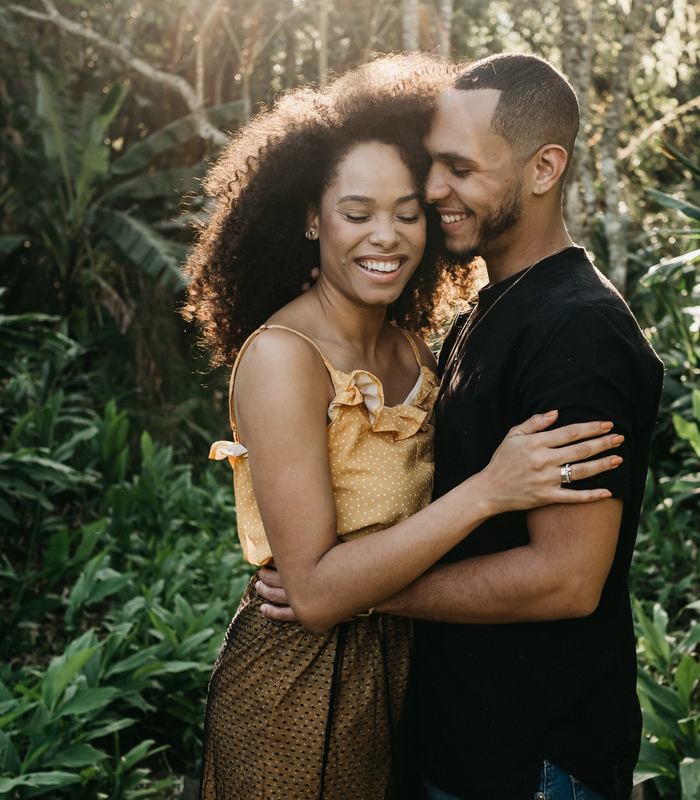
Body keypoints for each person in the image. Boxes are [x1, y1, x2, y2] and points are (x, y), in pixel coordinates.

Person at [181, 54, 625, 800]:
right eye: (356, 214)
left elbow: (565, 573)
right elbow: (313, 594)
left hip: (407, 691)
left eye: (408, 211)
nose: (384, 237)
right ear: (312, 217)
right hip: (300, 692)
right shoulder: (285, 359)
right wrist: (488, 492)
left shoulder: (418, 350)